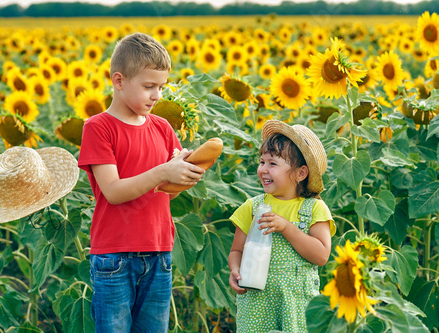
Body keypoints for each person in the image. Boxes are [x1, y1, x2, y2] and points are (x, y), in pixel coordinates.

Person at [78, 32, 205, 332]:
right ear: (119, 81)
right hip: (114, 256)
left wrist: (184, 174)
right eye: (149, 87)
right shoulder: (99, 128)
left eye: (160, 87)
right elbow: (113, 192)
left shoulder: (162, 128)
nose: (157, 96)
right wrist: (163, 172)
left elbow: (165, 193)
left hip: (159, 250)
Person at [228, 119, 336, 333]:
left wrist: (287, 227)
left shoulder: (315, 209)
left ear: (300, 173)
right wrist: (235, 269)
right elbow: (236, 250)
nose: (263, 169)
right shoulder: (252, 207)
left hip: (296, 304)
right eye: (262, 162)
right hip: (256, 303)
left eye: (273, 163)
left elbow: (322, 255)